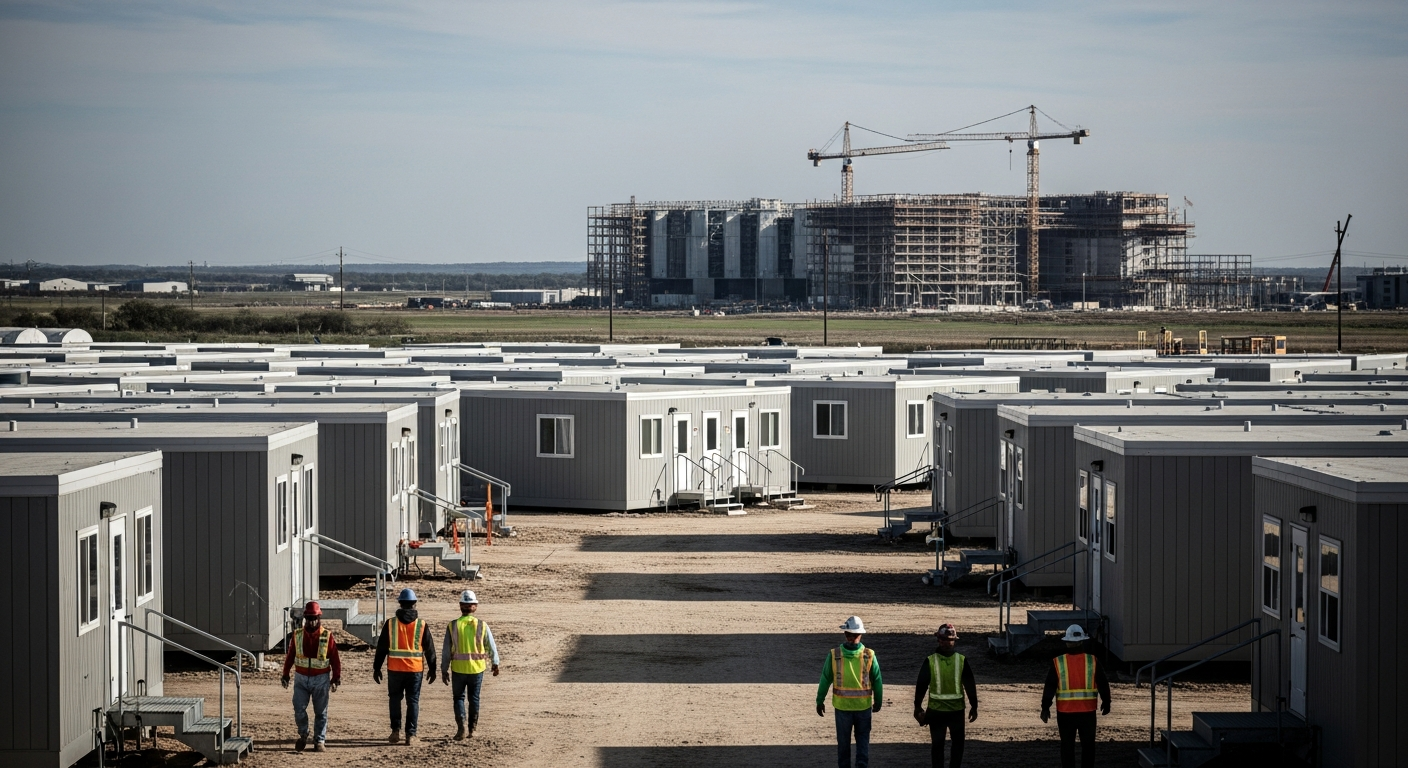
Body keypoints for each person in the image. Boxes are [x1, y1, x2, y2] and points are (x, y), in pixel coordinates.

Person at [1040, 624, 1112, 768]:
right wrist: (1107, 701)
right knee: (1088, 747)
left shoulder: (1058, 662)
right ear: (1082, 641)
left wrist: (1045, 707)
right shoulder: (1092, 661)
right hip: (1087, 712)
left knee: (1067, 747)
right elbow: (1103, 683)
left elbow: (1050, 686)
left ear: (1067, 642)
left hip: (1065, 713)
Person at [373, 587, 438, 745]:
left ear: (400, 604)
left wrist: (377, 668)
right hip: (415, 670)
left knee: (394, 699)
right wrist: (433, 668)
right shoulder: (421, 625)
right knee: (413, 701)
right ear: (414, 604)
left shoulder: (390, 624)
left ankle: (395, 732)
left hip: (395, 669)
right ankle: (411, 735)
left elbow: (381, 648)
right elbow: (430, 649)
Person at [816, 616, 883, 768]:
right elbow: (877, 680)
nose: (851, 637)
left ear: (846, 633)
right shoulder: (869, 655)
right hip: (862, 709)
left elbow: (825, 679)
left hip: (843, 709)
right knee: (862, 747)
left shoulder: (835, 655)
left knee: (844, 748)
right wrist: (878, 701)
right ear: (861, 634)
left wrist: (819, 701)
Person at [913, 623, 977, 768]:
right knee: (957, 747)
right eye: (945, 639)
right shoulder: (960, 660)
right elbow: (970, 685)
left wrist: (917, 707)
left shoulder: (930, 660)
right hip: (955, 712)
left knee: (937, 747)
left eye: (948, 640)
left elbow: (921, 685)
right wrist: (974, 706)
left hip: (937, 712)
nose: (947, 642)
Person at [280, 601, 341, 752]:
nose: (312, 621)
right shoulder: (297, 635)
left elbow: (335, 658)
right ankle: (303, 734)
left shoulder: (327, 636)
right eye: (309, 618)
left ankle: (319, 740)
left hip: (321, 680)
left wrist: (336, 678)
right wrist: (285, 674)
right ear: (305, 618)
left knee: (321, 712)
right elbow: (290, 655)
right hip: (301, 679)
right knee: (299, 708)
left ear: (319, 618)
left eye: (314, 618)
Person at [440, 589, 501, 740]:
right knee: (474, 698)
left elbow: (446, 651)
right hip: (477, 669)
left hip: (458, 669)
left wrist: (443, 669)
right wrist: (495, 663)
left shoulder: (452, 626)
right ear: (475, 606)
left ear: (461, 605)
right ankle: (472, 729)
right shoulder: (482, 625)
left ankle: (461, 728)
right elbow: (491, 646)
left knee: (458, 698)